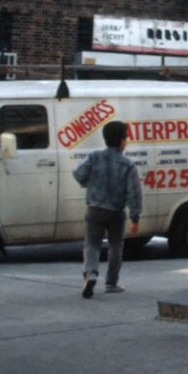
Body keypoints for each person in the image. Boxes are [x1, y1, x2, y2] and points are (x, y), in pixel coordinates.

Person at [72, 119, 142, 299]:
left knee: (92, 244)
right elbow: (134, 193)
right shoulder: (128, 165)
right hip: (116, 211)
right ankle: (111, 283)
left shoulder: (94, 157)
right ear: (121, 141)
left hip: (94, 207)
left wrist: (89, 184)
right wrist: (135, 217)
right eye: (126, 138)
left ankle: (91, 273)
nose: (126, 141)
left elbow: (78, 172)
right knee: (115, 247)